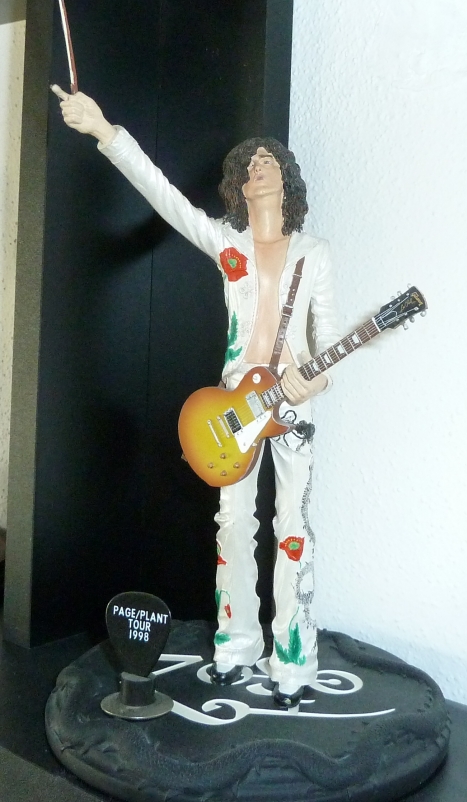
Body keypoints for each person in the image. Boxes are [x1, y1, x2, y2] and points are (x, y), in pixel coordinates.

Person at [51, 85, 339, 707]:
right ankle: (237, 643)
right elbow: (164, 196)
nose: (259, 167)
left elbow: (330, 338)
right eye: (250, 163)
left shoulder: (314, 255)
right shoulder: (228, 245)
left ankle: (294, 658)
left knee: (293, 526)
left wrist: (313, 378)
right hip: (235, 406)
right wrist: (104, 131)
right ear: (238, 186)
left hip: (291, 408)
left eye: (269, 161)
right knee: (233, 522)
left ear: (287, 180)